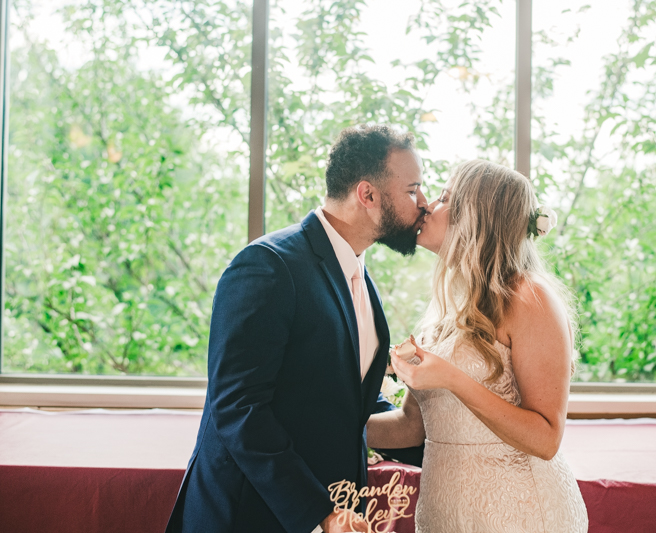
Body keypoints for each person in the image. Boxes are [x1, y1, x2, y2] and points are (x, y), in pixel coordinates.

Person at [166, 124, 429, 533]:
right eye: (413, 189)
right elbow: (239, 408)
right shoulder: (267, 266)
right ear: (368, 195)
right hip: (248, 515)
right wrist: (318, 512)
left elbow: (341, 399)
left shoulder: (359, 273)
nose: (423, 203)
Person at [367, 159, 589, 532]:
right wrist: (329, 427)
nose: (427, 206)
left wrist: (452, 378)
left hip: (518, 513)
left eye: (443, 198)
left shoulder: (530, 298)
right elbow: (411, 427)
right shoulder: (448, 304)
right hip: (445, 513)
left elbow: (546, 437)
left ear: (475, 216)